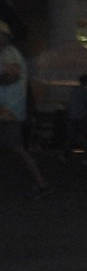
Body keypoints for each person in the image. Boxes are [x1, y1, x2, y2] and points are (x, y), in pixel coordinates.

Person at [0, 20, 53, 198]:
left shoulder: (9, 53)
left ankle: (41, 182)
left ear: (5, 37)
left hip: (8, 111)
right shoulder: (9, 53)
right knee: (15, 148)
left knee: (16, 148)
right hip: (8, 111)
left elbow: (11, 77)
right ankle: (39, 182)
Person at [65, 74, 87, 160]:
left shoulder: (74, 91)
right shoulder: (85, 91)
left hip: (73, 116)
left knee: (72, 137)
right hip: (82, 117)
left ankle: (67, 155)